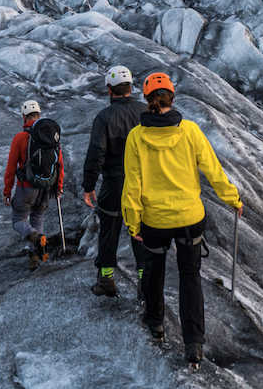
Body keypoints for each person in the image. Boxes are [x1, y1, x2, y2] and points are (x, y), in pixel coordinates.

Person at [122, 73, 242, 366]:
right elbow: (212, 169)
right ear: (172, 98)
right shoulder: (189, 131)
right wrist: (232, 198)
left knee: (153, 271)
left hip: (155, 220)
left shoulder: (136, 136)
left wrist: (132, 222)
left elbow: (133, 183)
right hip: (190, 218)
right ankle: (194, 344)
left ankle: (155, 323)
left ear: (147, 100)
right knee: (190, 277)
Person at [82, 65, 147, 298]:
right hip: (143, 183)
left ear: (110, 91)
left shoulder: (105, 117)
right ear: (131, 87)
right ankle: (144, 281)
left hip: (115, 183)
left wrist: (88, 186)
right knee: (140, 229)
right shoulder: (146, 111)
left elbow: (97, 152)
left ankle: (107, 279)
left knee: (109, 228)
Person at [3, 99, 65, 271]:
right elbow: (59, 163)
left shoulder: (20, 138)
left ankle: (35, 238)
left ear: (24, 117)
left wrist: (7, 190)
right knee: (37, 219)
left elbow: (10, 167)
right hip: (46, 188)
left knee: (18, 221)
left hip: (26, 188)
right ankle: (35, 257)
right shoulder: (50, 137)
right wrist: (59, 186)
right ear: (39, 115)